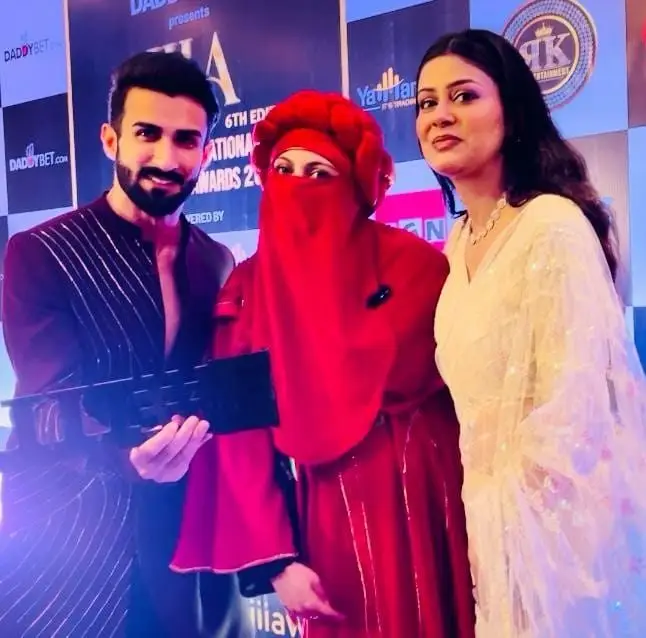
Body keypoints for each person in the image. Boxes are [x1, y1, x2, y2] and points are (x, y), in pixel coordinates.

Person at [171, 89, 476, 638]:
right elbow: (238, 438)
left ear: (354, 188)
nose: (298, 186)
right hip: (327, 514)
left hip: (429, 497)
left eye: (319, 173)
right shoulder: (245, 290)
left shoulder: (415, 266)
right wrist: (278, 561)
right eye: (284, 170)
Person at [0, 51, 254, 637]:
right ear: (111, 139)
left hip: (187, 542)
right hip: (72, 543)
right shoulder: (42, 252)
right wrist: (125, 458)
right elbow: (46, 407)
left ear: (206, 153)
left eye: (186, 140)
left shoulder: (216, 260)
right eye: (147, 134)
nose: (166, 158)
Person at [415, 28, 646, 637]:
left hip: (557, 543)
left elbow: (576, 415)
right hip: (486, 535)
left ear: (512, 113)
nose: (440, 116)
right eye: (427, 102)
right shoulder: (458, 241)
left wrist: (520, 540)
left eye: (464, 96)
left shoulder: (550, 224)